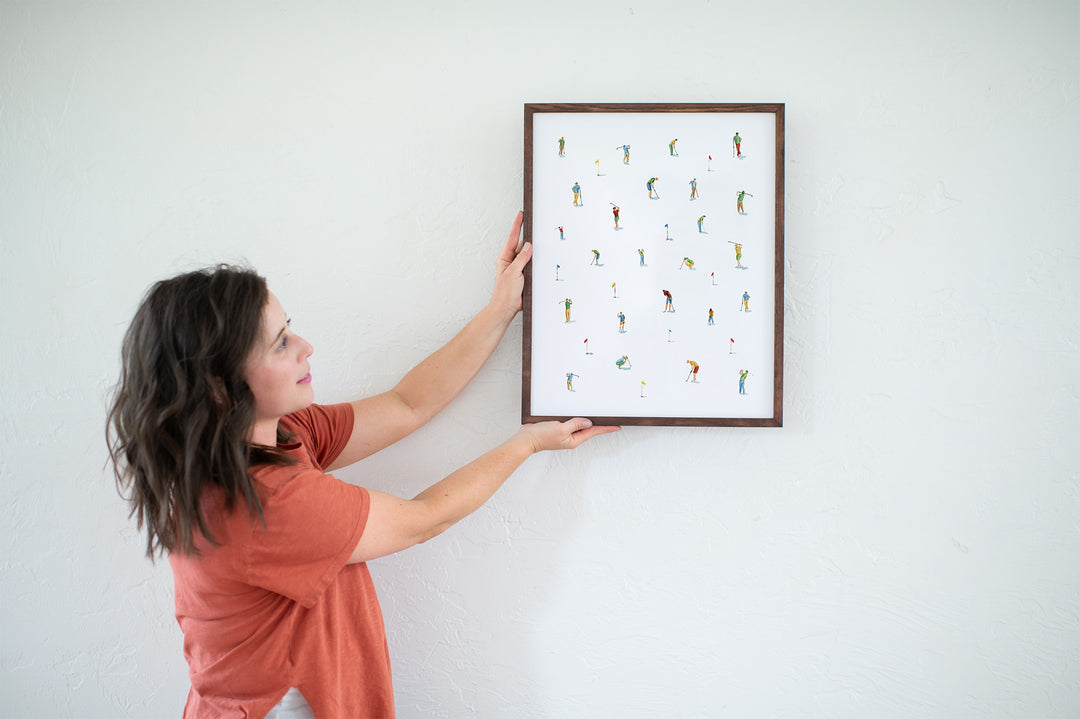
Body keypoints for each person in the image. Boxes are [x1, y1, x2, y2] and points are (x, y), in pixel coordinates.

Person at [106, 213, 618, 718]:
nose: (306, 347)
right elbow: (423, 519)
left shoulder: (276, 436)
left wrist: (500, 310)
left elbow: (407, 404)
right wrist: (526, 445)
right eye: (281, 343)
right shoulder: (266, 502)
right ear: (221, 386)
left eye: (292, 329)